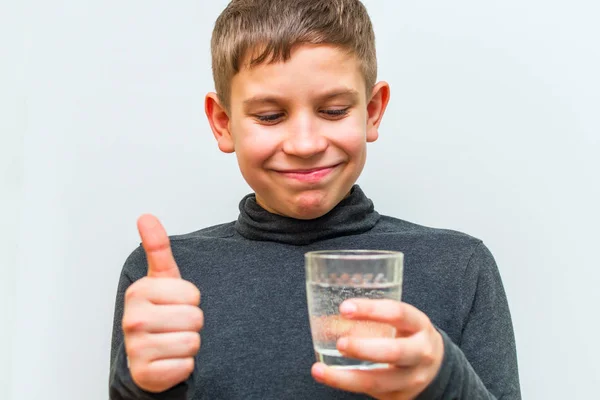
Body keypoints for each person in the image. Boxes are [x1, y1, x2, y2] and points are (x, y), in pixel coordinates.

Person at [108, 0, 521, 399]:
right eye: (269, 116)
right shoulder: (163, 281)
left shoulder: (459, 267)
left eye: (335, 110)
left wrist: (445, 384)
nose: (305, 144)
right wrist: (143, 389)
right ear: (223, 123)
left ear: (372, 111)